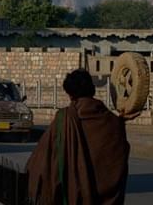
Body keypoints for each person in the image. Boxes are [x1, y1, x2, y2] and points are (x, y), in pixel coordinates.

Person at [27, 68, 130, 204]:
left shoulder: (63, 119)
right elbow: (119, 158)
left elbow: (42, 161)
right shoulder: (112, 122)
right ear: (92, 90)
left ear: (70, 95)